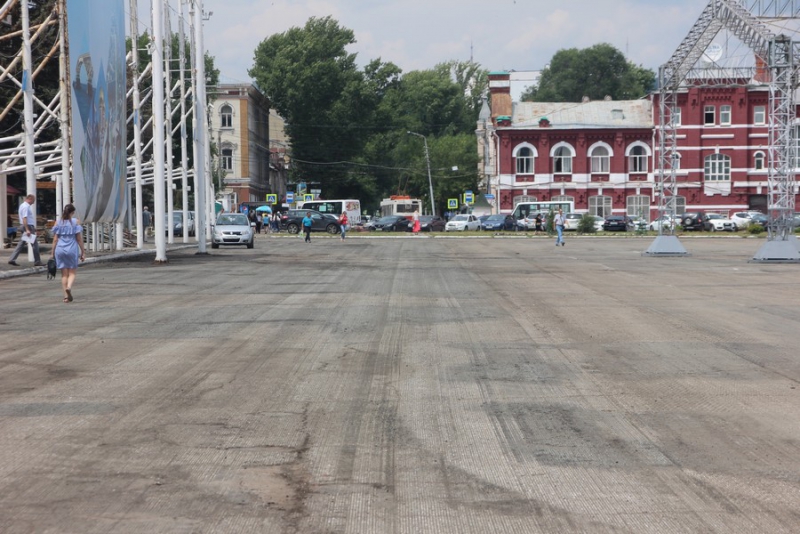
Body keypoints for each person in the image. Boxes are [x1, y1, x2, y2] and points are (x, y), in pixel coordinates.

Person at [50, 204, 85, 303]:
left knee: (64, 274)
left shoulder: (58, 223)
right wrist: (83, 251)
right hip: (72, 249)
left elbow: (55, 239)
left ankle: (66, 296)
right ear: (72, 213)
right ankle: (69, 288)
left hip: (60, 249)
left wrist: (52, 253)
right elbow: (79, 239)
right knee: (72, 272)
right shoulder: (76, 222)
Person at [8, 194, 43, 267]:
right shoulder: (25, 207)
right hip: (27, 226)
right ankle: (37, 261)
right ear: (30, 199)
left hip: (27, 226)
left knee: (21, 244)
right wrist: (27, 229)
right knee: (35, 244)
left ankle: (12, 259)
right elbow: (25, 218)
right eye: (33, 200)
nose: (33, 202)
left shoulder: (22, 206)